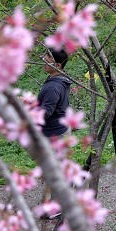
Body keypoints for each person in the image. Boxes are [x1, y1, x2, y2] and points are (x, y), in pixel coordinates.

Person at [38, 46, 73, 218]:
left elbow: (46, 112)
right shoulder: (60, 79)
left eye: (48, 57)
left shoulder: (53, 86)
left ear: (58, 65)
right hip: (59, 130)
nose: (44, 59)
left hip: (55, 133)